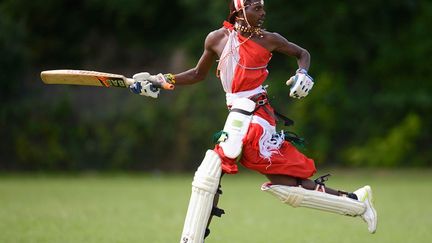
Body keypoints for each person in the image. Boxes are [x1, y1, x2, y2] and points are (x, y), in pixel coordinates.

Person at [130, 0, 377, 242]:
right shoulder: (216, 39)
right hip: (238, 112)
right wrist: (161, 79)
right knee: (286, 185)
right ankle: (356, 203)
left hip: (257, 113)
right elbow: (197, 74)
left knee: (214, 165)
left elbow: (302, 54)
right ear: (240, 9)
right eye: (256, 7)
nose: (263, 12)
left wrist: (302, 73)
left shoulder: (268, 39)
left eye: (262, 7)